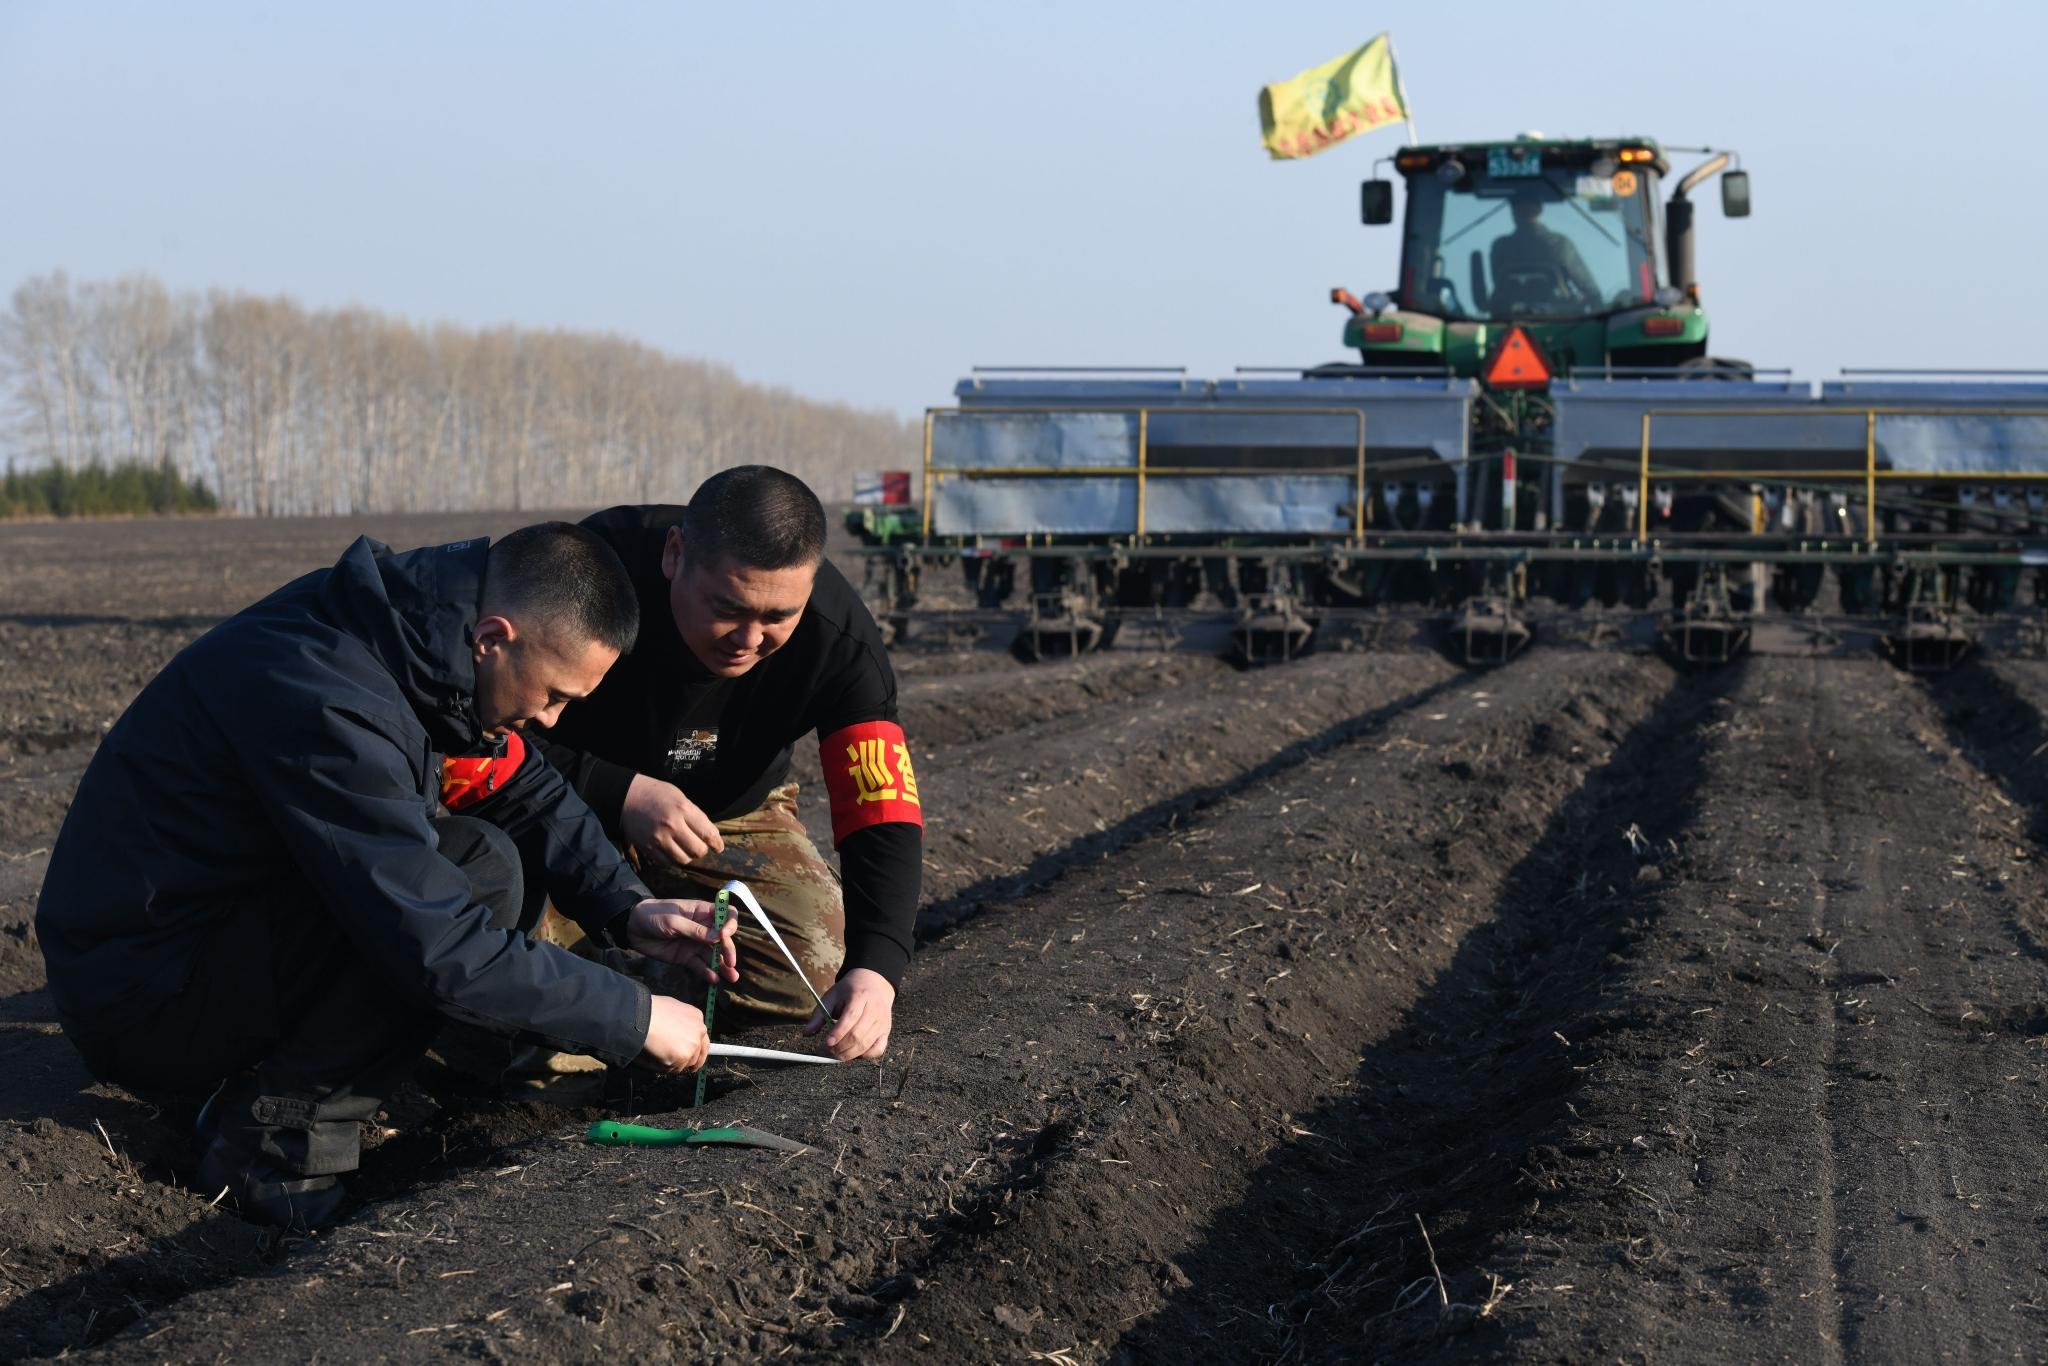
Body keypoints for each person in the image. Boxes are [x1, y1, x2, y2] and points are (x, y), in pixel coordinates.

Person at [35, 523, 738, 1229]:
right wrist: (634, 1015)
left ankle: (310, 1082)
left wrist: (627, 909)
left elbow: (522, 783)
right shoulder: (333, 695)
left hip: (205, 932)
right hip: (143, 991)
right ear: (494, 636)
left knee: (481, 859)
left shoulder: (412, 645)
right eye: (554, 694)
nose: (550, 719)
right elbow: (438, 949)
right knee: (466, 879)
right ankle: (274, 1141)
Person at [532, 466, 921, 1063]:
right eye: (727, 606)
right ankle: (588, 1014)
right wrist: (617, 791)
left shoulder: (842, 642)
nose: (748, 638)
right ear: (674, 554)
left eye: (776, 618)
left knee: (818, 972)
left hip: (730, 810)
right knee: (505, 946)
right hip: (563, 802)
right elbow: (485, 737)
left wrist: (878, 968)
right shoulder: (587, 575)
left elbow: (880, 808)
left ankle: (661, 1000)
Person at [1490, 192, 1601, 311]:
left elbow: (1499, 283)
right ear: (1540, 211)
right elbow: (1588, 287)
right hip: (1562, 319)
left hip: (1508, 316)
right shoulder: (1560, 243)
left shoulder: (1500, 246)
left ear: (1514, 213)